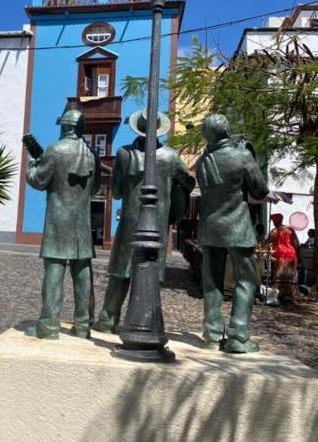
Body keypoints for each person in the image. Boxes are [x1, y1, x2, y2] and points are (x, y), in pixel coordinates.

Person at [94, 109, 195, 334]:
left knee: (121, 271)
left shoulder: (124, 154)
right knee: (150, 274)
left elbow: (118, 192)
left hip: (131, 220)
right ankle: (147, 322)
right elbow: (188, 181)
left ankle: (108, 318)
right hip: (157, 224)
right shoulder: (171, 157)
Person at [196, 114, 269, 353]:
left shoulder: (203, 161)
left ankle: (212, 335)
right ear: (227, 131)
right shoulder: (242, 156)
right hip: (237, 228)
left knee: (212, 282)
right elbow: (260, 191)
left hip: (210, 228)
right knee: (246, 280)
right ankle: (238, 336)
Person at [25, 110, 100, 339]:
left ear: (64, 127)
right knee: (83, 275)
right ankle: (83, 326)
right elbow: (95, 189)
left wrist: (31, 165)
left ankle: (48, 326)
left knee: (54, 274)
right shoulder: (91, 155)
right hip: (82, 225)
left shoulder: (55, 150)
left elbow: (39, 181)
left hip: (58, 223)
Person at [268, 213, 300, 302]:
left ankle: (277, 296)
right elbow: (296, 243)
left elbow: (269, 244)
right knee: (291, 275)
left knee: (278, 275)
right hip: (291, 254)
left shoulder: (273, 231)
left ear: (275, 221)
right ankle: (293, 298)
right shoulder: (290, 230)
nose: (273, 223)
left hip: (278, 254)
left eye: (273, 221)